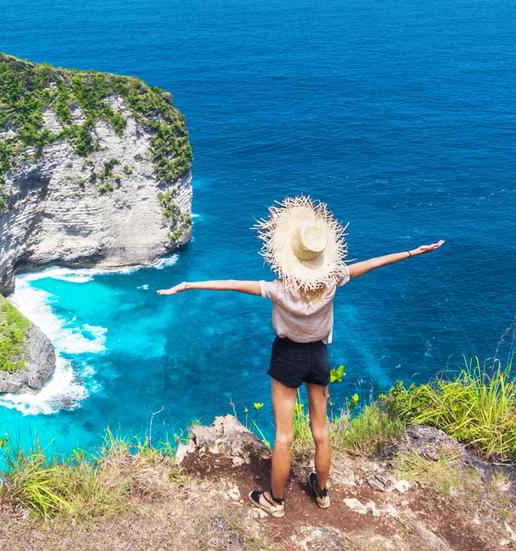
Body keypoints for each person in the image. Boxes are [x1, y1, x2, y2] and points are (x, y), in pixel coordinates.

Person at [158, 195, 444, 517]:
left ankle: (275, 501)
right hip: (318, 356)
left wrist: (188, 285)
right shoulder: (332, 281)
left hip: (287, 357)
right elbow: (373, 263)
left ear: (291, 256)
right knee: (321, 432)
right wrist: (411, 252)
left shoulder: (280, 289)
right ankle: (322, 493)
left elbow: (232, 284)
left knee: (284, 436)